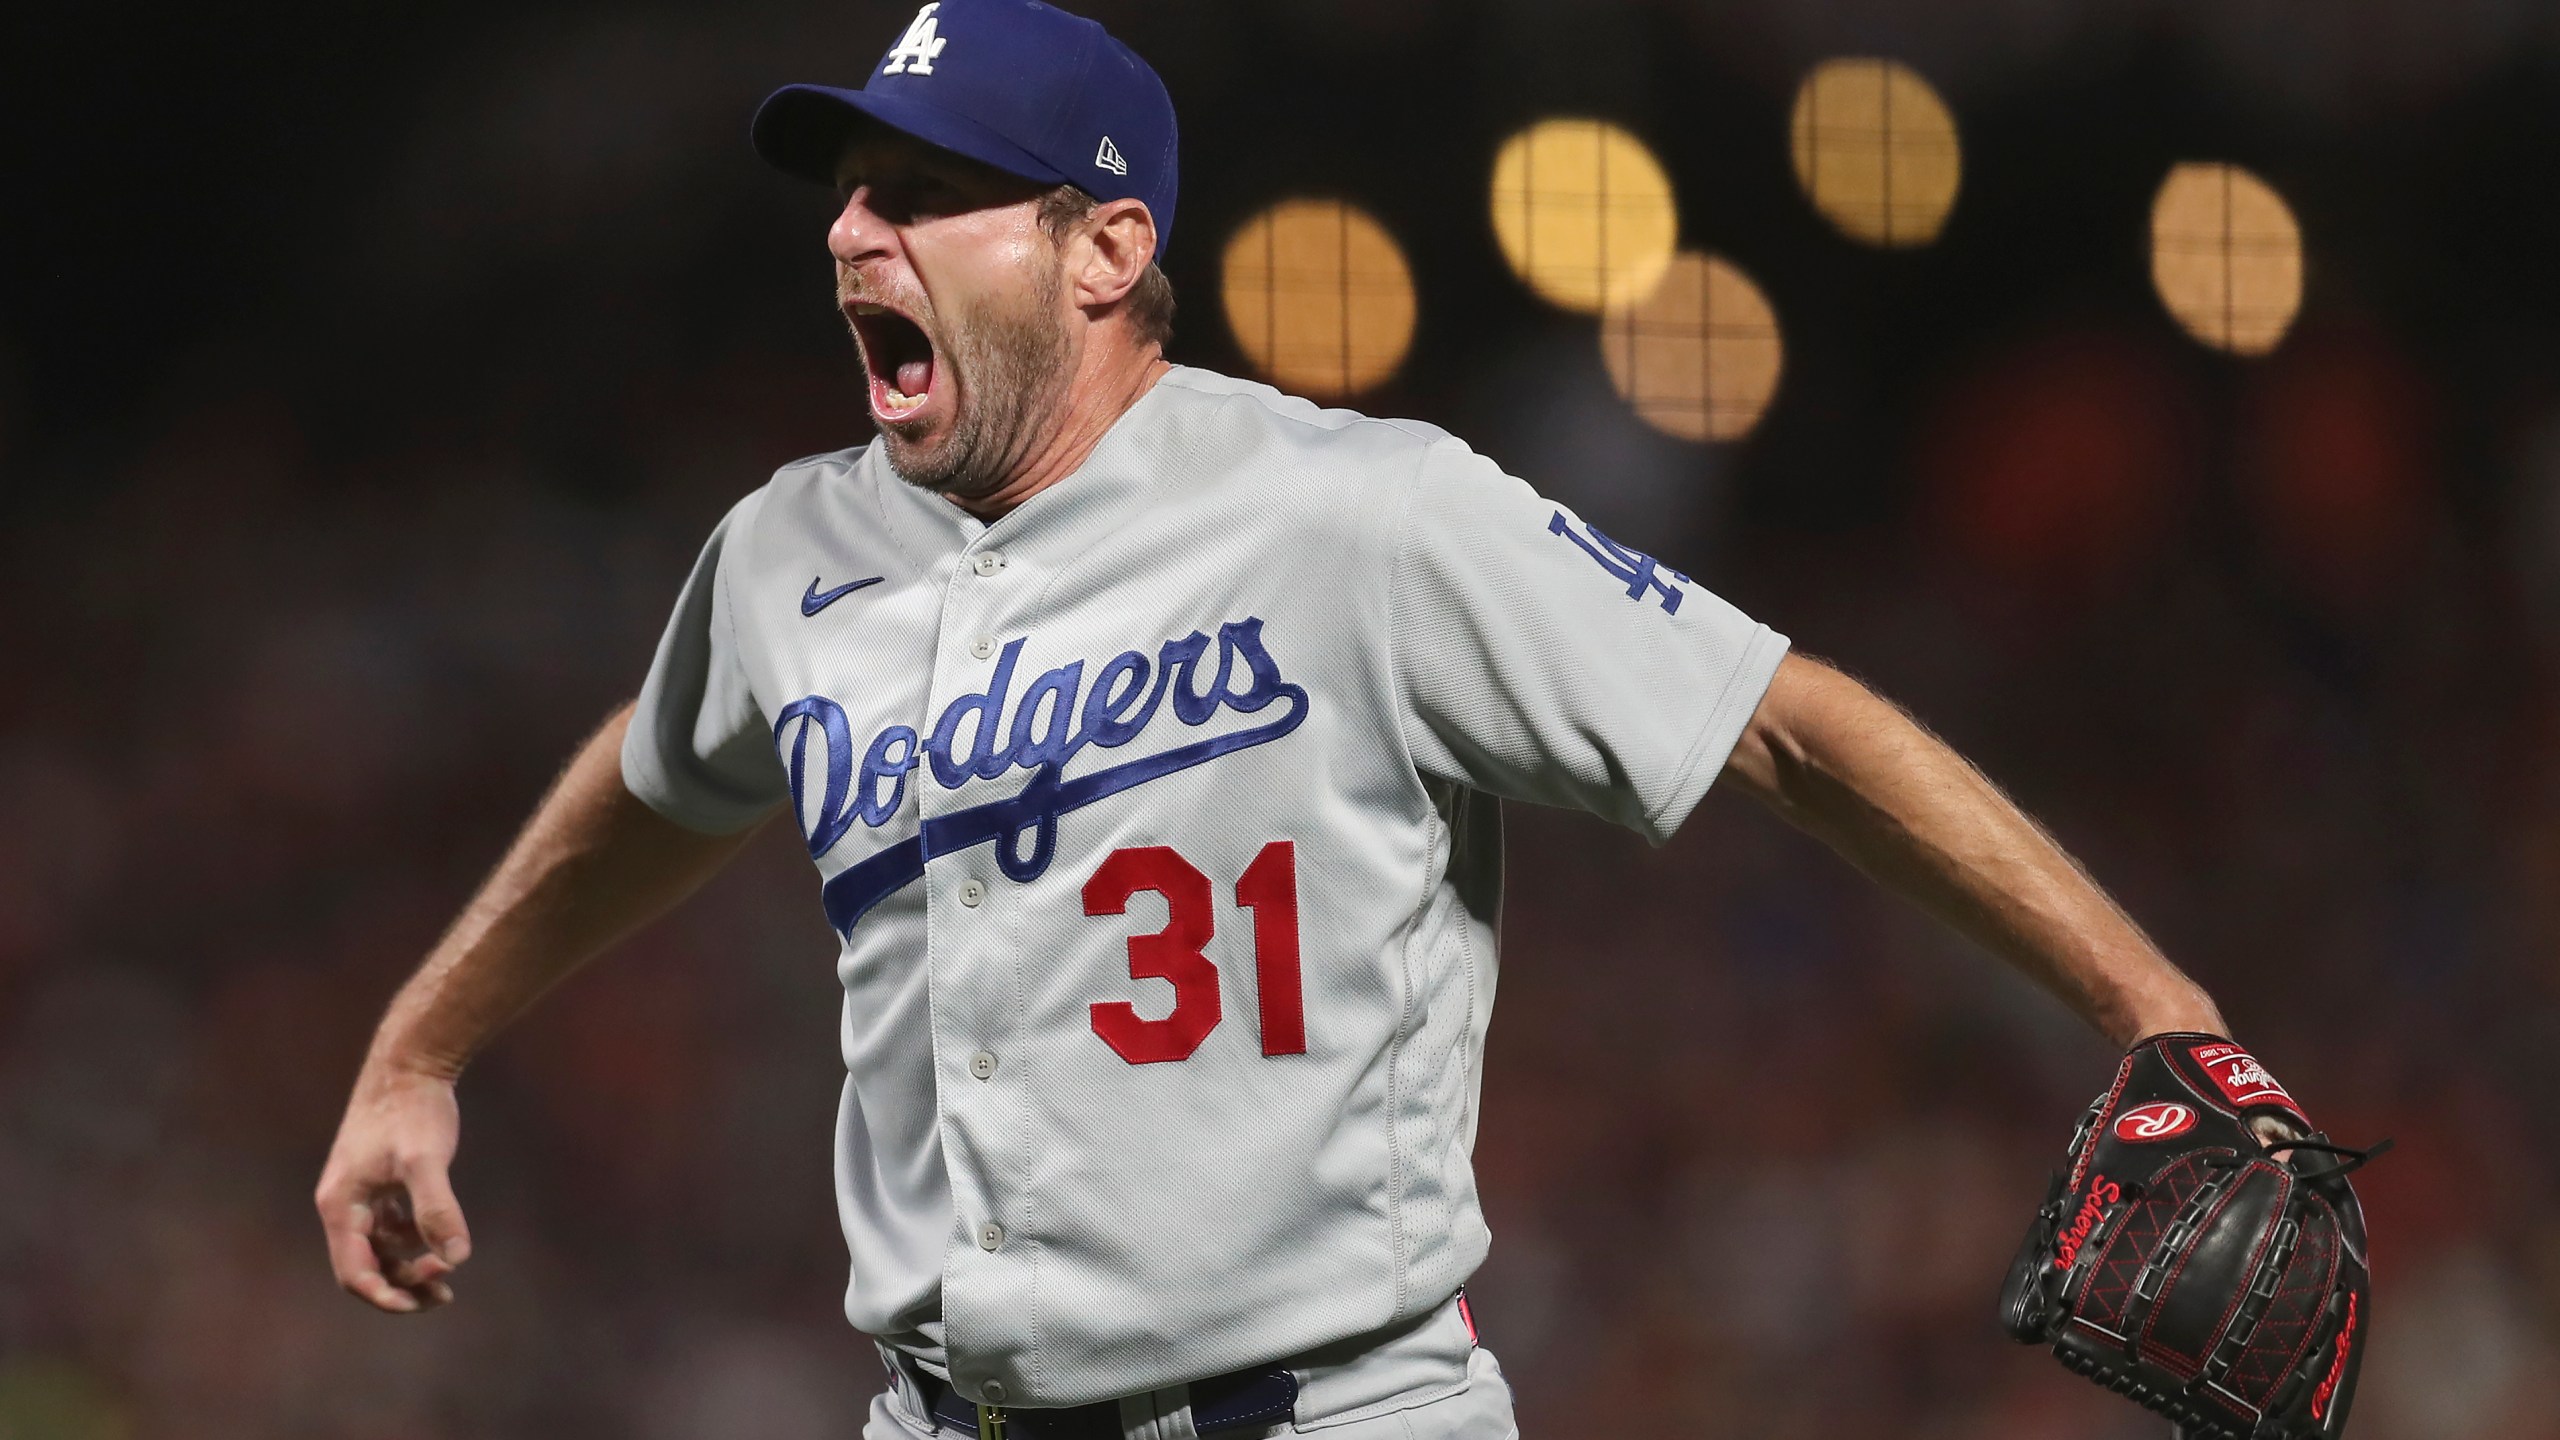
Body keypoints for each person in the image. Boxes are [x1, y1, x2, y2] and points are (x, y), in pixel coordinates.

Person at [315, 2, 2243, 1436]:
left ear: (1105, 247)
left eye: (925, 195)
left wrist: (2168, 1017)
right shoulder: (783, 554)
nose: (852, 236)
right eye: (847, 199)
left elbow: (1787, 728)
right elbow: (666, 782)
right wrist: (424, 1045)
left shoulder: (1356, 511)